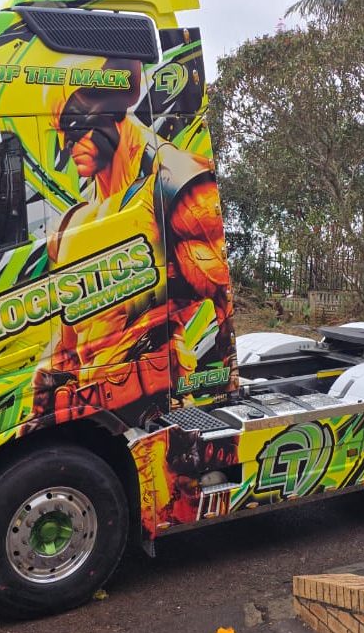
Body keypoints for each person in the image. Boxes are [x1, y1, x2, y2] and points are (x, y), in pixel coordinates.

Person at [31, 58, 233, 428]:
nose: (71, 146)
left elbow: (223, 306)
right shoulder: (71, 225)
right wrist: (45, 392)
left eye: (79, 129)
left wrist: (221, 402)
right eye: (65, 136)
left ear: (113, 113)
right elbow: (70, 340)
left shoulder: (173, 183)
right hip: (96, 420)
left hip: (157, 414)